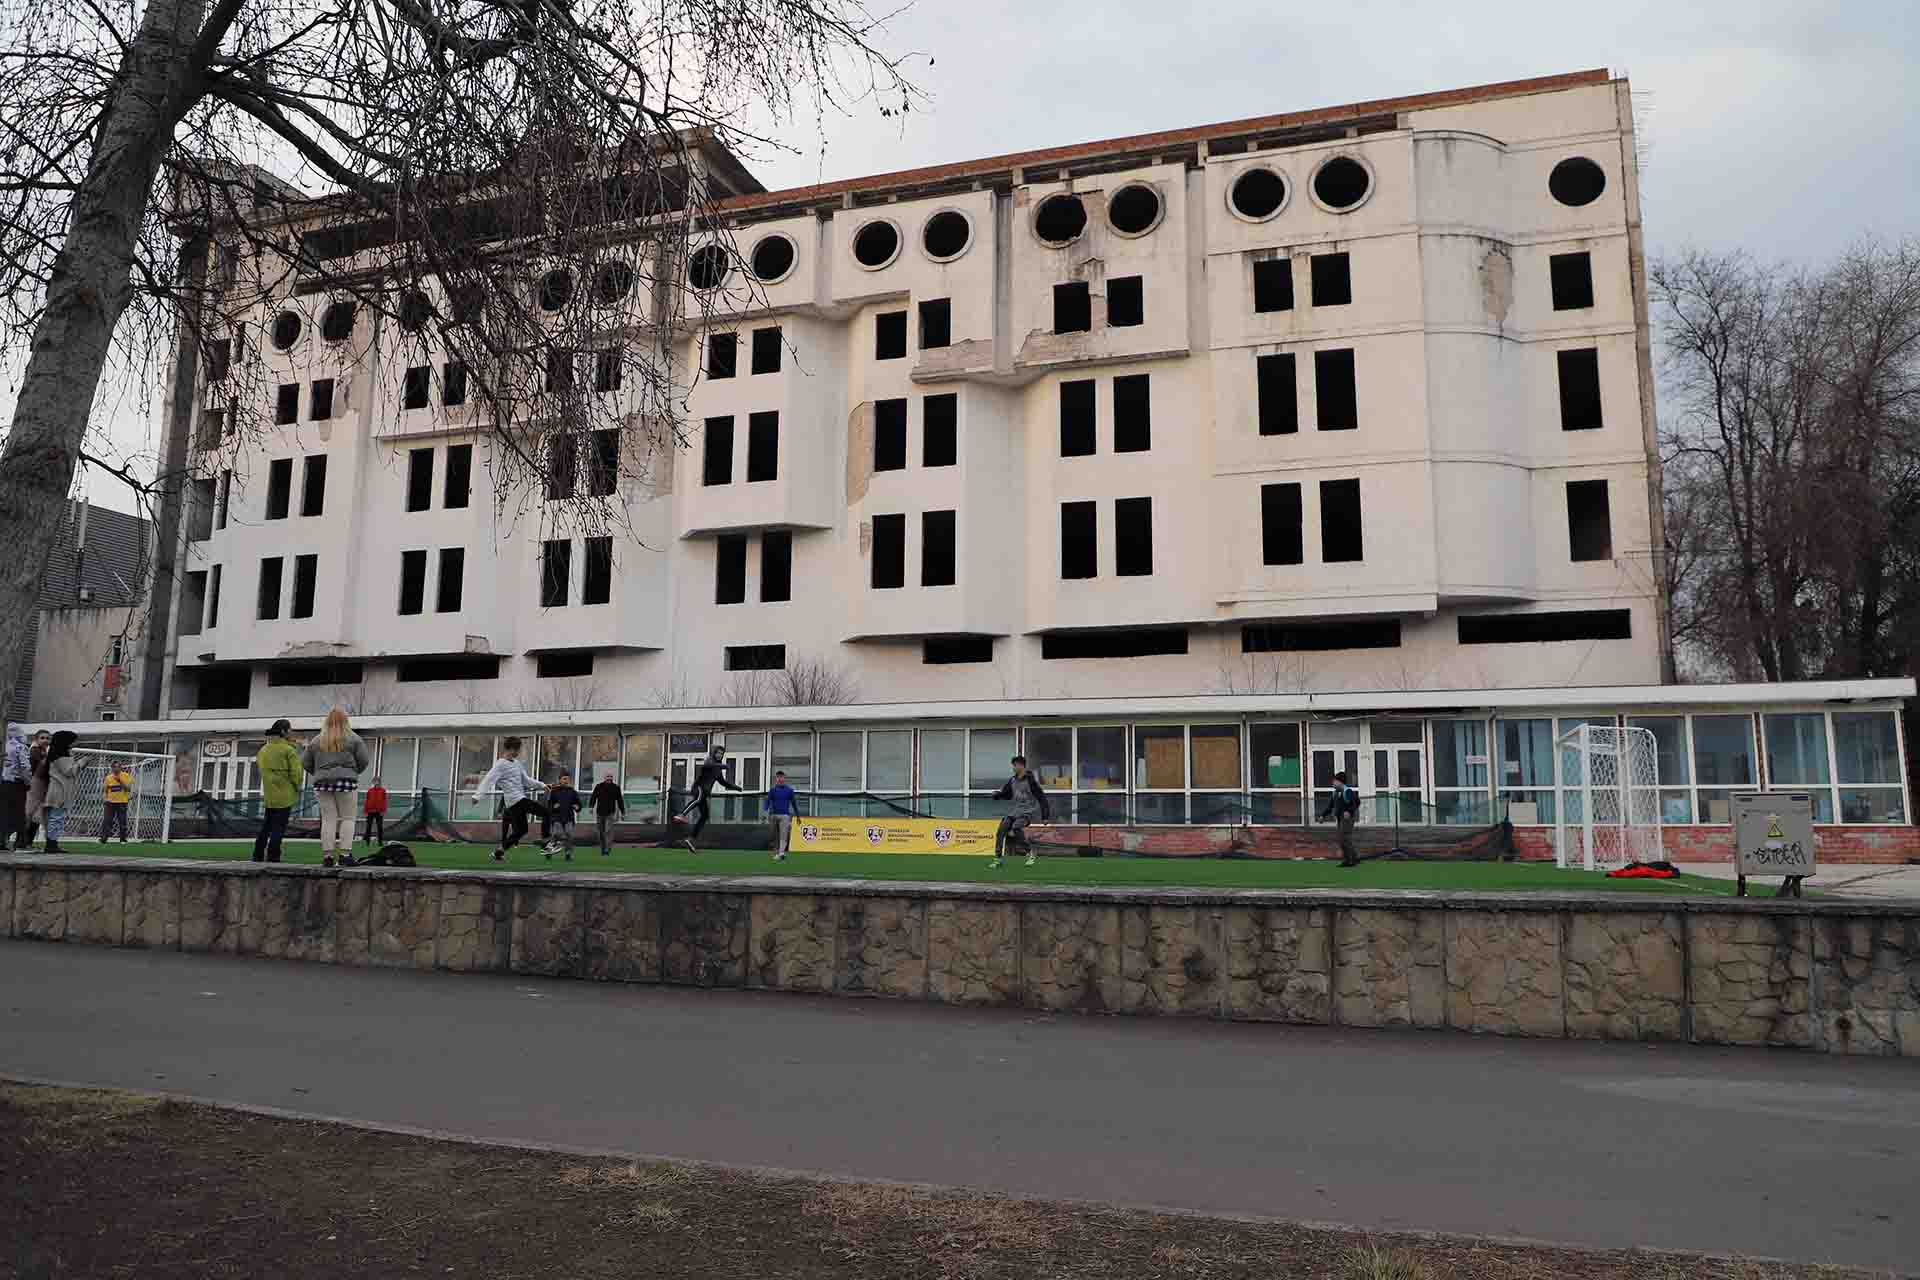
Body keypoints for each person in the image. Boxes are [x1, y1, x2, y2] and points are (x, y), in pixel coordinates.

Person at [303, 708, 371, 869]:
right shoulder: (354, 739)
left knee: (328, 819)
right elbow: (364, 760)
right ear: (345, 721)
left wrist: (319, 773)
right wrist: (353, 772)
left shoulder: (317, 740)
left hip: (322, 783)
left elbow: (305, 763)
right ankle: (345, 855)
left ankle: (327, 856)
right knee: (347, 818)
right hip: (346, 782)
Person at [473, 736, 550, 862]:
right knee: (545, 812)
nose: (517, 753)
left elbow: (526, 781)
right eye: (516, 750)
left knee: (521, 830)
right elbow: (488, 780)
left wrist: (542, 785)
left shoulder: (517, 764)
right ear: (509, 749)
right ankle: (547, 843)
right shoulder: (500, 764)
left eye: (518, 750)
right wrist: (477, 796)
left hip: (516, 802)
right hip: (516, 800)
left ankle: (498, 853)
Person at [671, 744, 739, 853]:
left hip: (704, 793)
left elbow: (723, 782)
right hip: (698, 788)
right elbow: (710, 765)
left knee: (705, 816)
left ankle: (690, 839)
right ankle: (681, 815)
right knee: (699, 798)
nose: (719, 755)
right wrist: (723, 766)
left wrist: (735, 787)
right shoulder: (709, 761)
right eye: (718, 753)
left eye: (721, 754)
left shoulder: (718, 769)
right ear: (713, 753)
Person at [253, 720, 304, 863]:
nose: (291, 732)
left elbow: (260, 769)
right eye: (290, 730)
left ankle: (257, 854)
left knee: (266, 826)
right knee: (279, 828)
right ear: (283, 731)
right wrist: (296, 786)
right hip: (285, 795)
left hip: (270, 794)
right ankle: (273, 855)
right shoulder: (289, 750)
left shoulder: (264, 750)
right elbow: (297, 774)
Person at [989, 754, 1050, 870]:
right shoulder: (1012, 780)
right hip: (1014, 812)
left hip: (1027, 812)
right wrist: (997, 795)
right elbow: (1006, 794)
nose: (1013, 768)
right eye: (1013, 765)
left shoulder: (1031, 781)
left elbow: (1042, 798)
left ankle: (1030, 853)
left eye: (1015, 765)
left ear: (1022, 766)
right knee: (1001, 831)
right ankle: (998, 859)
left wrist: (1045, 816)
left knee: (1016, 827)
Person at [36, 731, 79, 854]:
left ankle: (53, 843)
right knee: (56, 817)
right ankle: (51, 845)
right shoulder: (60, 755)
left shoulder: (60, 754)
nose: (75, 743)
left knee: (57, 818)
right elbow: (69, 771)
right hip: (59, 790)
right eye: (73, 740)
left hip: (59, 789)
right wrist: (82, 762)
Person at [1318, 770, 1362, 868]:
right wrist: (1323, 816)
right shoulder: (1335, 793)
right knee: (1342, 839)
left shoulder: (1348, 791)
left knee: (1344, 838)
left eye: (1334, 781)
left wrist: (1349, 811)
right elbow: (1330, 806)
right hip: (1340, 818)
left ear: (1339, 782)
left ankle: (1351, 860)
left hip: (1347, 819)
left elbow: (1357, 802)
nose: (1333, 783)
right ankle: (1352, 859)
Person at [1, 723, 31, 850]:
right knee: (18, 813)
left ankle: (3, 840)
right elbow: (24, 767)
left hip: (4, 782)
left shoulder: (4, 746)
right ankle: (20, 841)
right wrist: (28, 782)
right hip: (17, 783)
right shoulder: (20, 747)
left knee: (4, 812)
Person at [20, 729, 51, 850]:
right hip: (35, 785)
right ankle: (22, 842)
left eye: (48, 738)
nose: (45, 740)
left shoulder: (44, 752)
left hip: (41, 785)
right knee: (30, 813)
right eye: (42, 738)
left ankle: (28, 842)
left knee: (37, 815)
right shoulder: (35, 751)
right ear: (36, 739)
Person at [545, 770, 582, 861]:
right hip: (557, 817)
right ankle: (549, 850)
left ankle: (568, 854)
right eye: (564, 779)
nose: (566, 781)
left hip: (569, 817)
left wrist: (577, 807)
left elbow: (579, 805)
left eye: (567, 779)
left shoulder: (572, 791)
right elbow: (549, 805)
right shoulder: (554, 791)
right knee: (557, 834)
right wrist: (554, 807)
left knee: (569, 834)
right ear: (560, 780)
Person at [588, 772, 625, 857]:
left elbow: (620, 801)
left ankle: (607, 850)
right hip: (599, 813)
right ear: (604, 778)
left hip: (610, 813)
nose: (609, 778)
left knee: (608, 831)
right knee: (601, 832)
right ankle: (603, 849)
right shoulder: (599, 786)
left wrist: (623, 812)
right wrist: (591, 807)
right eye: (607, 777)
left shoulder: (616, 788)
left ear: (612, 778)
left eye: (610, 777)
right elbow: (593, 797)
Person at [765, 769, 797, 862]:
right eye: (778, 777)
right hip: (774, 815)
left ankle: (781, 853)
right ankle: (776, 853)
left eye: (781, 777)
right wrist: (765, 811)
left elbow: (794, 803)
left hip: (785, 816)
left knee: (783, 835)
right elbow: (767, 801)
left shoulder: (789, 790)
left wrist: (798, 816)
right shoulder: (772, 790)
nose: (780, 779)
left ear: (784, 778)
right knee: (774, 835)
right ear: (776, 779)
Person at [101, 760, 134, 843]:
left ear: (121, 767)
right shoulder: (108, 778)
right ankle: (104, 838)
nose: (116, 768)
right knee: (107, 821)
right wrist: (104, 799)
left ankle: (123, 839)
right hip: (110, 803)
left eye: (118, 767)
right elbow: (105, 790)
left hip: (122, 802)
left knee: (122, 821)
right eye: (114, 767)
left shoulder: (126, 776)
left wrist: (120, 781)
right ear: (112, 768)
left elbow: (128, 789)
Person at [362, 775, 388, 848]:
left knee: (380, 827)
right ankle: (367, 842)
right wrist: (366, 811)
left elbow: (384, 801)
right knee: (368, 827)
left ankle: (380, 842)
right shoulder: (370, 790)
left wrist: (383, 811)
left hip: (379, 812)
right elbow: (367, 801)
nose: (376, 782)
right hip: (370, 811)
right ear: (373, 782)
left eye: (377, 781)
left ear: (379, 782)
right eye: (375, 781)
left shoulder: (383, 790)